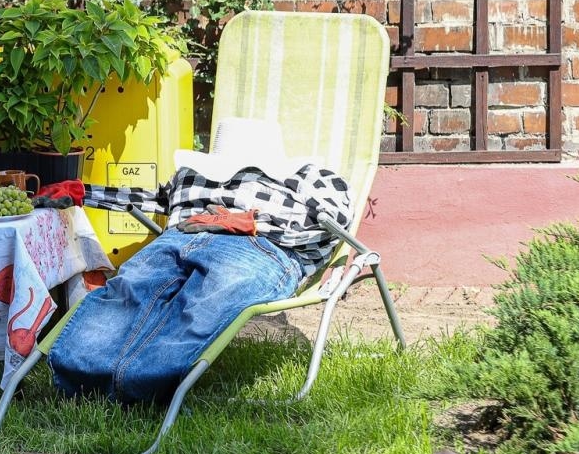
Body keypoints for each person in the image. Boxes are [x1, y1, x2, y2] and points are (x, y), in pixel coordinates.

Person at [48, 117, 352, 404]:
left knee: (205, 304)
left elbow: (336, 221)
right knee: (129, 289)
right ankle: (80, 375)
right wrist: (84, 192)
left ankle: (139, 384)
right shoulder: (192, 173)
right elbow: (155, 199)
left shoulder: (308, 177)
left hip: (255, 247)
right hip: (181, 236)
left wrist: (254, 223)